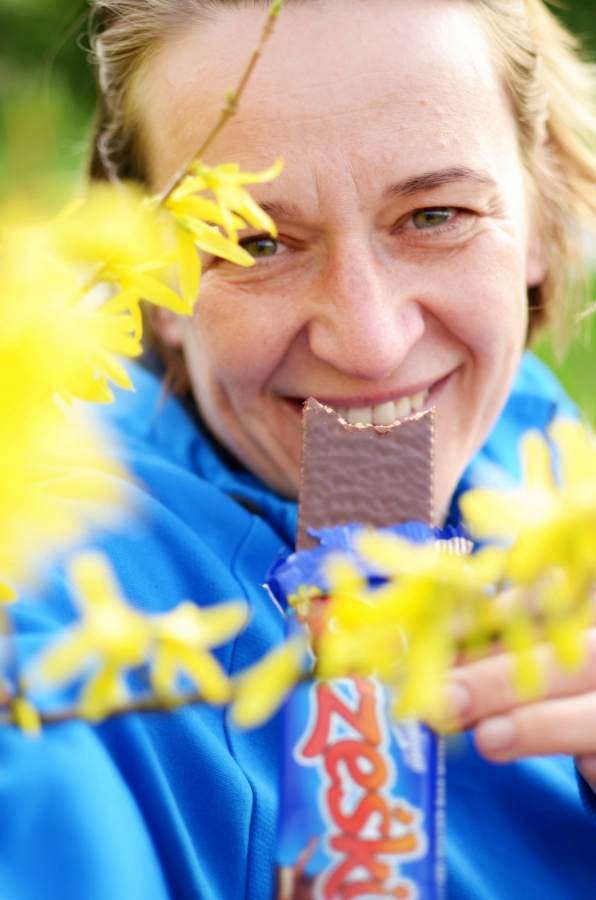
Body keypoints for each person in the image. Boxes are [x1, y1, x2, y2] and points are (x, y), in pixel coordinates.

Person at [3, 0, 596, 897]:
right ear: (147, 283)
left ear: (535, 214)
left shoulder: (539, 448)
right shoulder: (47, 605)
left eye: (434, 216)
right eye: (256, 241)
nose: (370, 344)